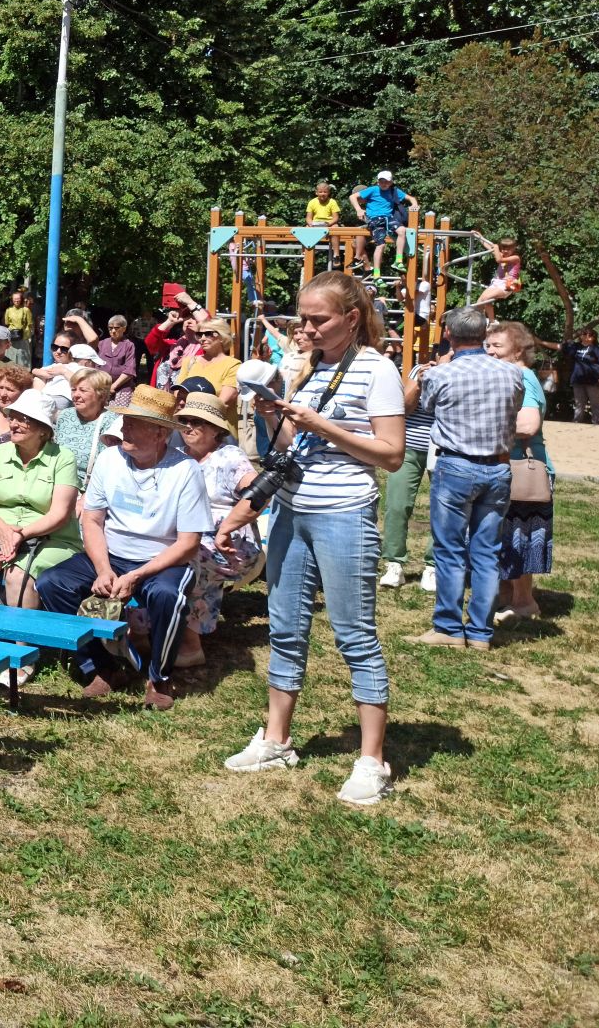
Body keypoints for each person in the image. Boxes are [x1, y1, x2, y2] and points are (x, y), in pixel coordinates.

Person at [226, 271, 403, 807]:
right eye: (302, 318)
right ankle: (277, 740)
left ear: (352, 318)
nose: (306, 329)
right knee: (284, 623)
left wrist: (321, 425)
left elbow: (390, 454)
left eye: (318, 319)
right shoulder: (309, 367)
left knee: (354, 634)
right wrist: (275, 419)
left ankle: (372, 760)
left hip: (344, 513)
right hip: (292, 509)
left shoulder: (378, 369)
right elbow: (294, 444)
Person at [39, 387, 212, 710]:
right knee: (52, 582)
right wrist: (104, 568)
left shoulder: (185, 470)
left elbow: (189, 542)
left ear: (160, 432)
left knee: (167, 596)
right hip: (112, 553)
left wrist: (136, 575)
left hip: (162, 559)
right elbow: (92, 521)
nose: (124, 429)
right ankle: (101, 665)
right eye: (125, 421)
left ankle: (159, 677)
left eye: (133, 423)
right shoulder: (110, 460)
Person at [404, 307, 521, 650]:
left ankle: (448, 628)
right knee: (487, 552)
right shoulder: (510, 373)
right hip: (498, 466)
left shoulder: (444, 374)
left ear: (449, 336)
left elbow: (423, 407)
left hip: (455, 465)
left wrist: (434, 373)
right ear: (484, 335)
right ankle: (482, 633)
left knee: (450, 550)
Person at [0, 386, 81, 613]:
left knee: (18, 577)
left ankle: (22, 646)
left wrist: (21, 534)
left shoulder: (63, 458)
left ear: (43, 429)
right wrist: (4, 531)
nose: (13, 424)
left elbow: (60, 514)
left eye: (24, 420)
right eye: (13, 417)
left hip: (52, 538)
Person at [172, 392, 260, 667]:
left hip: (231, 545)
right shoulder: (178, 458)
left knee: (184, 559)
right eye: (184, 420)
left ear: (215, 429)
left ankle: (189, 644)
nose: (188, 426)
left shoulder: (229, 456)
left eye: (196, 421)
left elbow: (258, 495)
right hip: (190, 537)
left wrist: (226, 528)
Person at [486, 319, 552, 626]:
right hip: (506, 466)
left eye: (498, 346)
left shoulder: (524, 377)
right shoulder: (510, 374)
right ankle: (507, 596)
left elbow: (528, 425)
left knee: (520, 536)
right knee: (506, 535)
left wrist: (483, 428)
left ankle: (524, 601)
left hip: (523, 470)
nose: (490, 352)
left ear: (518, 350)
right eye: (488, 345)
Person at [380, 340, 447, 589]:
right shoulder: (418, 371)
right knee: (397, 505)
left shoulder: (460, 376)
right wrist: (419, 382)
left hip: (442, 449)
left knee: (442, 509)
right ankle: (394, 563)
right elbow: (403, 409)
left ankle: (432, 566)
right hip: (409, 447)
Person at [50, 366, 117, 492]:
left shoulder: (110, 421)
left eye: (83, 390)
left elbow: (108, 468)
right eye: (73, 390)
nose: (76, 395)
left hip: (90, 490)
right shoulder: (66, 415)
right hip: (55, 484)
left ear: (100, 394)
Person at [349, 170, 417, 277]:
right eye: (381, 181)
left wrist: (414, 204)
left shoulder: (393, 191)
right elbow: (352, 197)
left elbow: (410, 198)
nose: (384, 184)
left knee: (402, 230)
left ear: (391, 182)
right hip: (375, 219)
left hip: (388, 219)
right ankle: (362, 262)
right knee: (373, 242)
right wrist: (358, 209)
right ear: (378, 182)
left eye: (387, 182)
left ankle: (398, 261)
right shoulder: (372, 190)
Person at [173, 317, 240, 410]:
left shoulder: (233, 365)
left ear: (222, 337)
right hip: (188, 421)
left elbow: (223, 403)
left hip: (216, 422)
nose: (202, 339)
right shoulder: (189, 361)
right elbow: (177, 394)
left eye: (208, 334)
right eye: (199, 335)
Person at [563, 325, 599, 425]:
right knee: (579, 404)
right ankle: (577, 422)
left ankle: (597, 422)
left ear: (594, 337)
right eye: (585, 334)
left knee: (595, 403)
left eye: (590, 335)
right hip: (578, 379)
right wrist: (541, 342)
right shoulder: (575, 347)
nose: (587, 336)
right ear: (581, 336)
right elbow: (560, 347)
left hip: (593, 380)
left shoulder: (597, 349)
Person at [3, 290, 34, 368]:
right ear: (12, 300)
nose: (16, 300)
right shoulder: (8, 310)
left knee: (23, 357)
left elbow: (30, 323)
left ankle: (24, 373)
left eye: (18, 299)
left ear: (21, 299)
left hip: (23, 337)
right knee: (11, 356)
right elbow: (7, 323)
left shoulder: (26, 310)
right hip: (12, 336)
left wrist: (28, 335)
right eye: (14, 299)